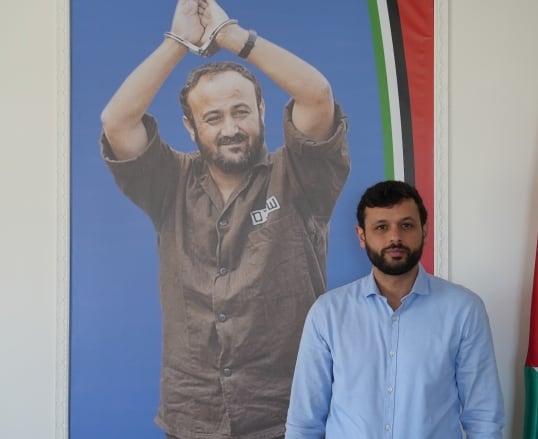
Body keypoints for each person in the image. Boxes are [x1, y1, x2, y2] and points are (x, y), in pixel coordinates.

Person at [99, 0, 349, 437]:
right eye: (212, 118)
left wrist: (229, 34)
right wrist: (178, 43)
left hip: (289, 415)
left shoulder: (301, 177)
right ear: (191, 128)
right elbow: (117, 121)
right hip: (192, 416)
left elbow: (317, 95)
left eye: (240, 111)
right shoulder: (168, 183)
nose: (230, 127)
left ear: (262, 112)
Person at [285, 180, 505, 438]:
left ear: (424, 230)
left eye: (406, 225)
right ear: (362, 236)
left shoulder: (464, 310)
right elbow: (304, 423)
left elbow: (484, 419)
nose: (395, 237)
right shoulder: (328, 314)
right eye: (381, 227)